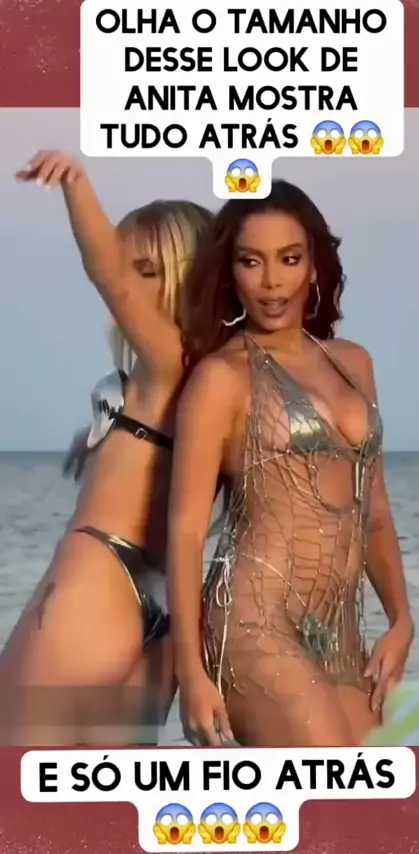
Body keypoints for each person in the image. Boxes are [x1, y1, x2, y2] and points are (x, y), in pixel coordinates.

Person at [167, 180, 414, 747]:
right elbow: (185, 532)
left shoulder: (353, 364)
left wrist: (401, 619)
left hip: (340, 633)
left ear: (314, 266)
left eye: (290, 259)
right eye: (251, 261)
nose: (272, 282)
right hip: (252, 624)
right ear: (230, 273)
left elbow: (374, 510)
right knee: (336, 786)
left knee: (381, 791)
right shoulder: (220, 378)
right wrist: (190, 674)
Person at [0, 150, 213, 745]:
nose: (128, 285)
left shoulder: (169, 361)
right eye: (131, 268)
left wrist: (76, 186)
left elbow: (107, 275)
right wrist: (103, 439)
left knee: (18, 774)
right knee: (99, 791)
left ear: (188, 276)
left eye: (146, 270)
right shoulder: (201, 378)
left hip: (96, 584)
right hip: (156, 604)